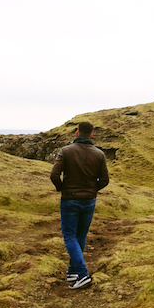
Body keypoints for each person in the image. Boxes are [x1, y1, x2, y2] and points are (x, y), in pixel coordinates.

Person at [50, 121, 109, 289]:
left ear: (77, 133)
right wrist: (92, 190)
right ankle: (73, 272)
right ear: (91, 135)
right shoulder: (99, 154)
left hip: (69, 199)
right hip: (89, 201)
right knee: (80, 236)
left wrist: (62, 188)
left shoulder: (66, 151)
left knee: (69, 236)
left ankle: (82, 274)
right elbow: (104, 180)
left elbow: (54, 174)